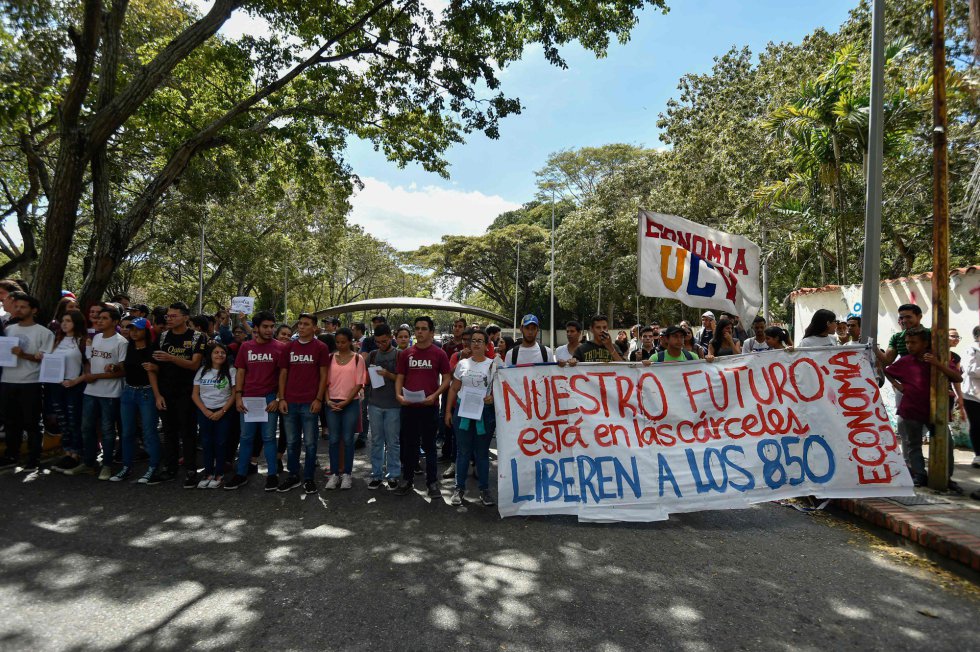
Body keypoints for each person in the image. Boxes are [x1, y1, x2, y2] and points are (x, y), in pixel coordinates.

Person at [884, 326, 963, 489]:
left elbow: (957, 377)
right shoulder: (905, 361)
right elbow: (887, 370)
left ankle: (946, 477)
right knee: (914, 444)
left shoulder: (938, 358)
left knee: (946, 443)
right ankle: (920, 474)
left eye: (913, 342)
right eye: (907, 343)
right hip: (911, 409)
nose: (909, 346)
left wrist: (937, 364)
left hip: (936, 411)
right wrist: (897, 385)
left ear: (925, 343)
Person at [224, 311, 285, 491]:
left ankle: (272, 475)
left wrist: (278, 397)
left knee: (268, 438)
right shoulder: (246, 347)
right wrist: (238, 397)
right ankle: (241, 474)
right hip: (248, 398)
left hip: (269, 398)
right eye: (265, 326)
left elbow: (283, 375)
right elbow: (241, 372)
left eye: (272, 326)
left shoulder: (280, 347)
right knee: (246, 437)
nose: (269, 330)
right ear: (256, 328)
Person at [65, 304, 127, 478]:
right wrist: (88, 374)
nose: (100, 320)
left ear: (115, 322)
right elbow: (89, 361)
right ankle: (88, 463)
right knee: (87, 428)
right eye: (99, 318)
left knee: (108, 430)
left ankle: (107, 464)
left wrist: (97, 375)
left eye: (104, 318)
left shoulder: (121, 342)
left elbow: (123, 371)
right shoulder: (96, 338)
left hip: (110, 394)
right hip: (91, 391)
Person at [394, 316, 451, 497]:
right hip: (409, 406)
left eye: (424, 328)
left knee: (430, 446)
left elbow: (447, 378)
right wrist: (398, 395)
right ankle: (407, 479)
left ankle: (432, 483)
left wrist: (435, 395)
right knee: (409, 445)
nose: (419, 331)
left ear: (432, 332)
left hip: (429, 407)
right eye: (417, 328)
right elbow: (400, 377)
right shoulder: (406, 354)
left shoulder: (439, 353)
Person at [153, 301, 206, 487]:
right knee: (169, 432)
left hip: (188, 393)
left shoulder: (197, 337)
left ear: (185, 317)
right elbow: (154, 367)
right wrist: (157, 394)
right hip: (166, 392)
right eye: (168, 316)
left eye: (173, 316)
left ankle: (191, 469)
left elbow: (194, 365)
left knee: (188, 431)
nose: (169, 319)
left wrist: (171, 358)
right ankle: (170, 467)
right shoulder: (162, 337)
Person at [0, 292, 55, 469]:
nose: (18, 309)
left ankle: (33, 458)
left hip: (31, 382)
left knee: (31, 422)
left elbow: (47, 360)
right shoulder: (8, 330)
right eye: (16, 306)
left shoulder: (44, 333)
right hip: (7, 380)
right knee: (10, 421)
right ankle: (11, 455)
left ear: (34, 310)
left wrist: (23, 355)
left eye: (23, 307)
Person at [445, 328, 498, 506]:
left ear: (487, 344)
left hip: (485, 414)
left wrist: (493, 398)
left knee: (482, 454)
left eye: (480, 340)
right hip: (463, 412)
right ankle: (459, 489)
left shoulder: (493, 365)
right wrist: (447, 412)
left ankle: (484, 490)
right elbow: (453, 388)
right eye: (473, 340)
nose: (475, 343)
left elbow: (501, 391)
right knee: (463, 452)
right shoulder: (462, 364)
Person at [277, 313, 329, 493]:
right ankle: (293, 475)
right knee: (291, 442)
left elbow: (324, 376)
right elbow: (282, 374)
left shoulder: (321, 347)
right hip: (289, 402)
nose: (301, 327)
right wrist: (281, 398)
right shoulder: (288, 347)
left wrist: (319, 399)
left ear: (314, 327)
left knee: (311, 442)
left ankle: (308, 477)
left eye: (306, 324)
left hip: (310, 402)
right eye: (299, 324)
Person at [115, 317, 163, 483]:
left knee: (149, 432)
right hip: (128, 392)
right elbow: (125, 367)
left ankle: (153, 467)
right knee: (127, 432)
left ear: (146, 331)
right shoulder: (127, 347)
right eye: (131, 329)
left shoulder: (153, 349)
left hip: (147, 393)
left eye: (137, 329)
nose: (133, 332)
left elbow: (158, 371)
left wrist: (157, 395)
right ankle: (126, 467)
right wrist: (114, 367)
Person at [323, 327, 366, 489]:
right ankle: (335, 474)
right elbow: (324, 382)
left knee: (348, 439)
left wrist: (346, 401)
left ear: (350, 342)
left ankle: (347, 473)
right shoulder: (329, 358)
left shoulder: (357, 359)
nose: (340, 345)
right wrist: (327, 400)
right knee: (333, 439)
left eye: (343, 342)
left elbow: (359, 383)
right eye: (338, 342)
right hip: (332, 402)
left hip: (351, 403)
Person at [192, 343, 237, 489]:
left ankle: (219, 474)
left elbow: (234, 394)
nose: (219, 355)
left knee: (221, 442)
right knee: (206, 442)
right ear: (210, 355)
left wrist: (222, 411)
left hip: (223, 411)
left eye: (222, 352)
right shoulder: (202, 371)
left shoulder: (231, 371)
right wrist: (205, 411)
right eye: (216, 352)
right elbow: (194, 394)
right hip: (205, 411)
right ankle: (208, 473)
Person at [49, 310, 88, 473]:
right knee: (63, 421)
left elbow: (88, 370)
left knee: (74, 421)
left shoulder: (83, 341)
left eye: (69, 321)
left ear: (77, 323)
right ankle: (67, 452)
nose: (64, 324)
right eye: (63, 320)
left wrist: (74, 381)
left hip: (75, 386)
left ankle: (76, 454)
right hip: (56, 386)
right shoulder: (56, 340)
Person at [365, 323, 401, 490]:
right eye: (378, 342)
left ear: (391, 337)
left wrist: (388, 375)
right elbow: (365, 379)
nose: (381, 345)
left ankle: (393, 475)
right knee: (377, 441)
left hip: (394, 405)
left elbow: (404, 379)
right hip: (375, 404)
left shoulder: (399, 355)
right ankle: (376, 474)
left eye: (384, 341)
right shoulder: (372, 355)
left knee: (393, 442)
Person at [961, 326, 980, 483]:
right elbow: (970, 370)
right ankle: (978, 455)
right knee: (976, 424)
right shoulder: (972, 349)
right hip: (972, 394)